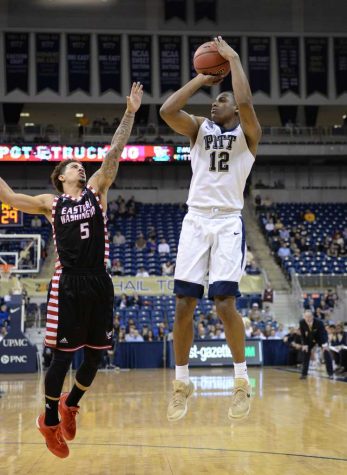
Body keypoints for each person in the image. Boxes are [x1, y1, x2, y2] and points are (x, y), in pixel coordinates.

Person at [0, 82, 143, 458]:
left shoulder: (98, 188)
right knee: (61, 358)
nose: (81, 166)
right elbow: (11, 198)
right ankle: (48, 421)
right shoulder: (51, 202)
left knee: (96, 356)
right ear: (62, 176)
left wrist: (129, 112)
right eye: (73, 165)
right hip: (67, 282)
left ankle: (70, 404)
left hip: (99, 279)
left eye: (81, 165)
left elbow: (114, 151)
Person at [160, 36, 261, 422]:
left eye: (220, 99)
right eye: (212, 99)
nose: (213, 102)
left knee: (223, 304)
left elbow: (248, 103)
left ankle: (240, 382)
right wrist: (200, 80)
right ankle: (181, 383)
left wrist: (233, 59)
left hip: (227, 222)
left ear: (234, 107)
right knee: (183, 304)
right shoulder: (199, 129)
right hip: (196, 220)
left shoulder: (248, 135)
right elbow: (168, 110)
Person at [299, 310, 334, 380]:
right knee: (306, 352)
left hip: (320, 338)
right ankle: (304, 374)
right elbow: (303, 335)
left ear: (312, 316)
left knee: (326, 352)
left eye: (309, 317)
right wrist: (305, 344)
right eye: (306, 317)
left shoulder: (319, 322)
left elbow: (323, 334)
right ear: (304, 317)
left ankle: (330, 373)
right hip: (310, 339)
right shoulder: (302, 322)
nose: (307, 318)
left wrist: (324, 345)